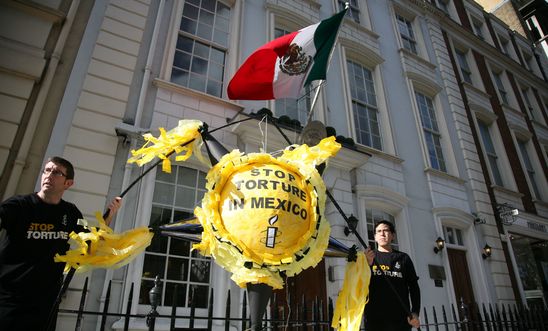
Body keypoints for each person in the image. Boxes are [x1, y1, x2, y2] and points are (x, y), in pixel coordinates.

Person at [0, 156, 122, 331]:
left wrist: (110, 214)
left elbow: (93, 243)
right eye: (47, 170)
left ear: (68, 183)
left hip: (46, 302)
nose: (49, 175)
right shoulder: (19, 205)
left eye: (56, 172)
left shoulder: (70, 212)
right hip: (10, 299)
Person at [364, 220, 421, 330]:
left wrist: (415, 312)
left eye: (386, 230)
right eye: (378, 231)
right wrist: (367, 265)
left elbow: (414, 287)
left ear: (393, 236)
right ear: (375, 237)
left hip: (400, 319)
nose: (382, 233)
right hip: (374, 318)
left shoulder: (403, 258)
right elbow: (359, 285)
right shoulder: (368, 257)